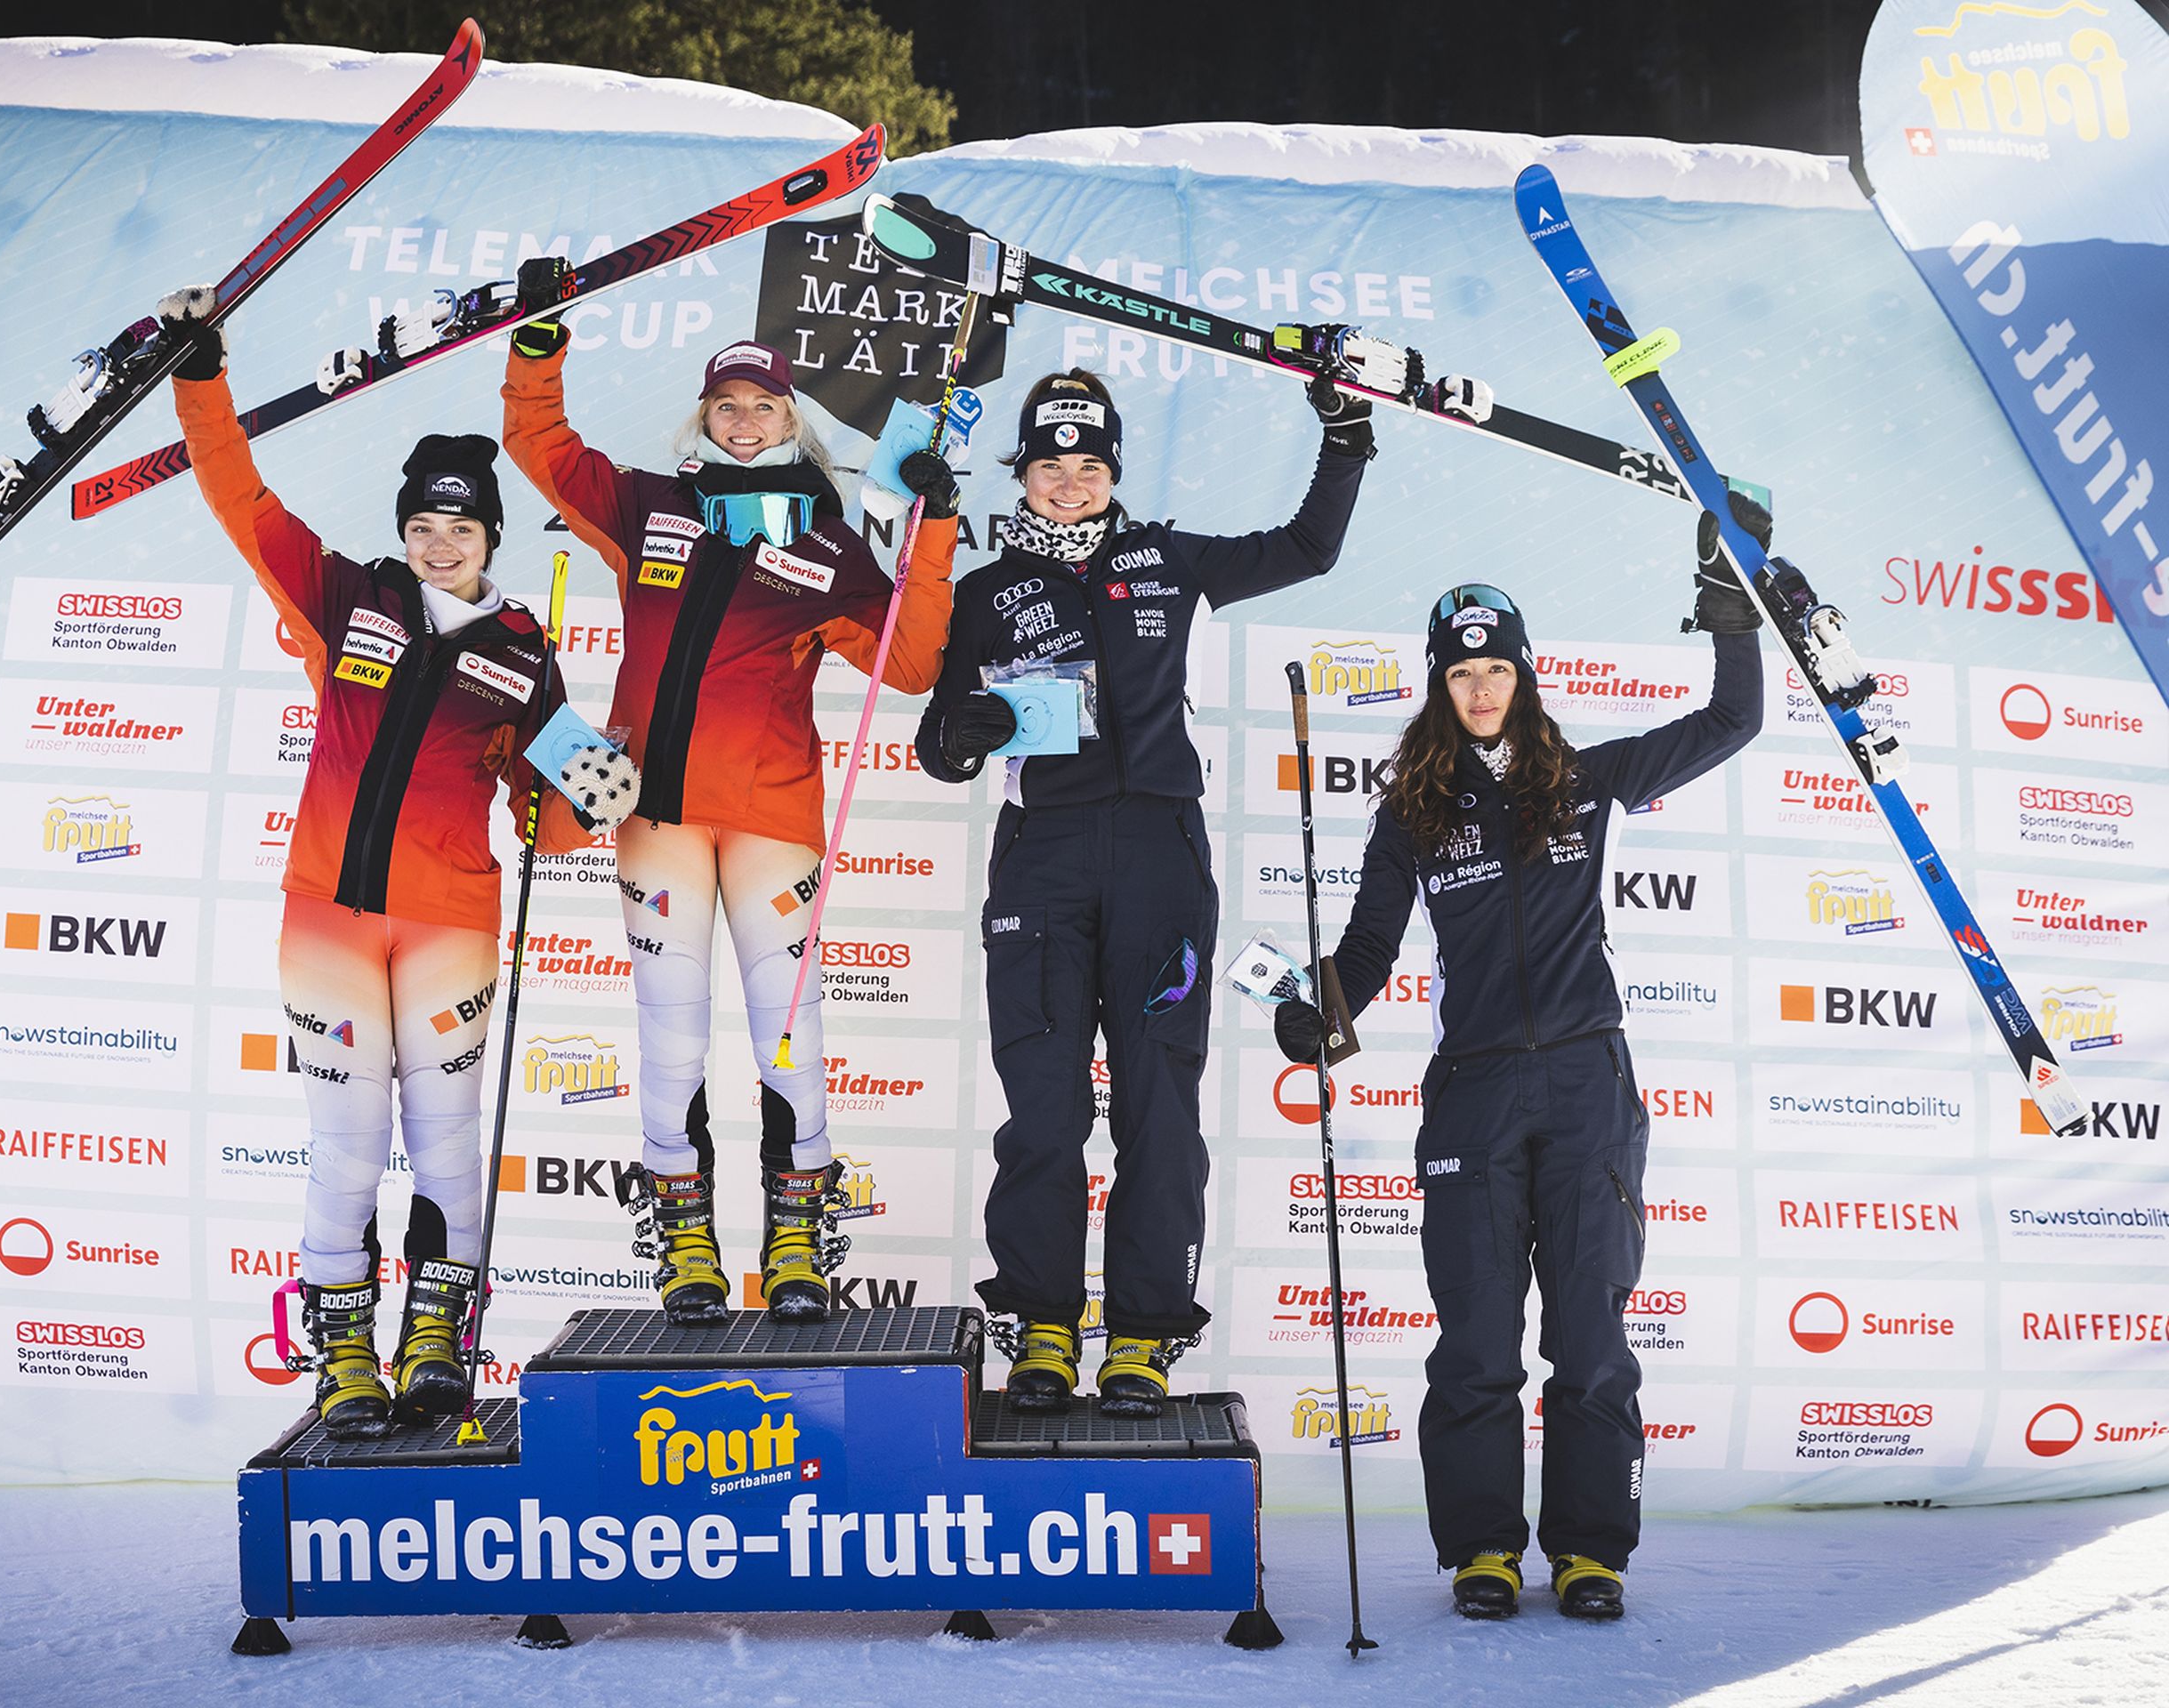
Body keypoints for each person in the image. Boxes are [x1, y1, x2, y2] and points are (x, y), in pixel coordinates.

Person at [917, 340, 1447, 1418]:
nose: (1071, 484)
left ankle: (1145, 1335)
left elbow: (1308, 548)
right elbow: (940, 742)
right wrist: (965, 731)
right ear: (1020, 474)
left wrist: (1344, 440)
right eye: (1051, 467)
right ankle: (1046, 1325)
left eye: (1091, 467)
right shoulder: (985, 590)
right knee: (1044, 1109)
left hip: (1162, 853)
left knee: (1160, 1103)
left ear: (1115, 475)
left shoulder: (1169, 561)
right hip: (1044, 859)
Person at [1276, 502, 1769, 1619]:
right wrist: (1321, 1014)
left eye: (1497, 667)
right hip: (1475, 1092)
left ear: (1526, 675)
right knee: (1478, 1338)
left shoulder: (1587, 783)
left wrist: (1730, 609)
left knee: (1591, 1335)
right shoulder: (1411, 815)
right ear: (1440, 688)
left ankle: (1591, 1551)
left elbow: (1733, 718)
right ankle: (1485, 1552)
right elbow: (1365, 950)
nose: (1482, 687)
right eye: (1462, 673)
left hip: (1589, 1084)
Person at [157, 286, 636, 1437]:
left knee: (447, 1147)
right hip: (325, 922)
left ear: (490, 541)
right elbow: (241, 498)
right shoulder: (347, 597)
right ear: (407, 527)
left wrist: (599, 795)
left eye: (461, 529)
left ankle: (437, 1338)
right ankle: (344, 1356)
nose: (439, 543)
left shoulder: (526, 656)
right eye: (425, 524)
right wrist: (200, 377)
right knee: (343, 1153)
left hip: (450, 927)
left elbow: (551, 817)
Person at [501, 260, 958, 1324]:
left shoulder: (828, 537)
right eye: (726, 405)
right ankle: (688, 1241)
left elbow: (916, 662)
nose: (744, 421)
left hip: (774, 820)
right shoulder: (649, 504)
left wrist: (932, 527)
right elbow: (542, 450)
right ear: (702, 415)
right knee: (671, 1038)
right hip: (654, 817)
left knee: (788, 1033)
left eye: (762, 406)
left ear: (791, 421)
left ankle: (798, 1238)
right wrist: (537, 346)